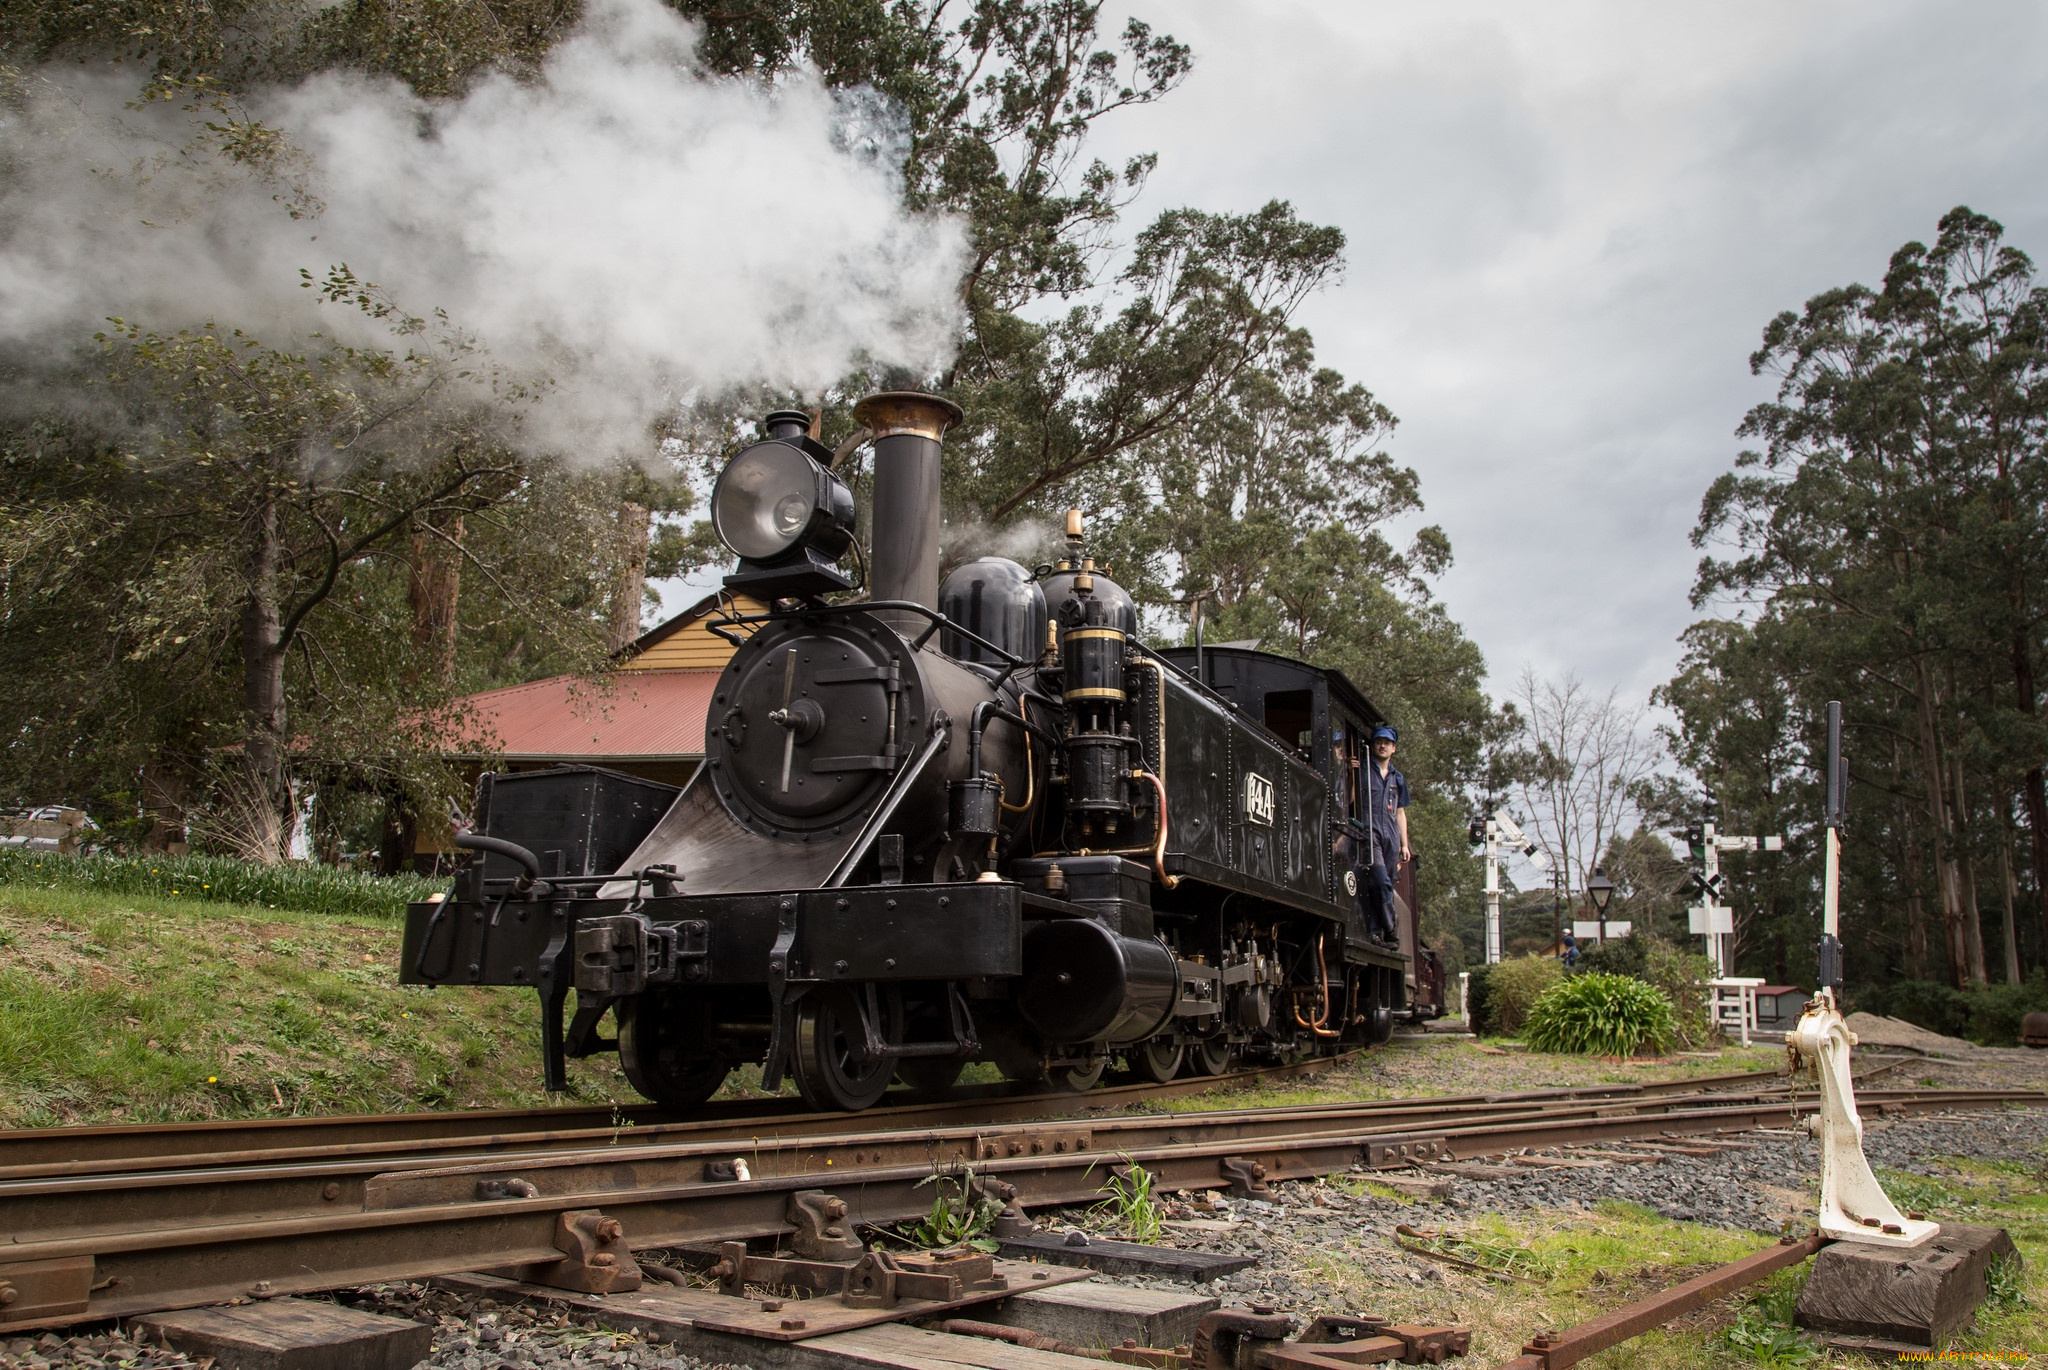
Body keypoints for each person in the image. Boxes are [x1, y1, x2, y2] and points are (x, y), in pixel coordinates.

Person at [1355, 724, 1410, 946]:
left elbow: (1401, 812)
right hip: (1370, 832)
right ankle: (1391, 927)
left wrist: (1404, 845)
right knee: (1378, 880)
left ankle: (1377, 931)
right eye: (1379, 742)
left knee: (1386, 883)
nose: (1382, 745)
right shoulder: (1363, 771)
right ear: (1373, 745)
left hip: (1391, 836)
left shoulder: (1398, 778)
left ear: (1393, 748)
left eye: (1387, 743)